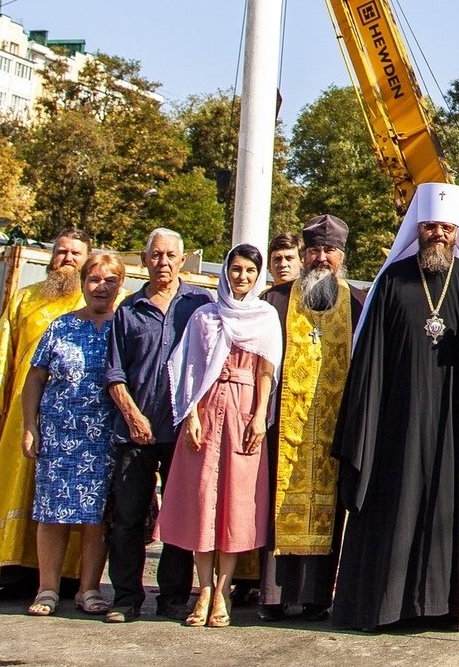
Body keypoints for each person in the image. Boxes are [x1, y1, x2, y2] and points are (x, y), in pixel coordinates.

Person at [331, 183, 459, 631]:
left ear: (457, 231)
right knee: (396, 504)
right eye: (430, 226)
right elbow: (369, 355)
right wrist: (367, 422)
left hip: (452, 421)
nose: (438, 235)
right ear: (418, 228)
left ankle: (448, 606)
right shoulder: (393, 280)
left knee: (447, 507)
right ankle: (386, 604)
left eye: (447, 228)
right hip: (398, 419)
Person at [0, 227, 92, 597]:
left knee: (68, 493)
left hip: (75, 419)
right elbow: (0, 352)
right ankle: (9, 569)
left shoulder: (97, 299)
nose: (67, 258)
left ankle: (63, 577)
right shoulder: (25, 299)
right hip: (25, 414)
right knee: (17, 488)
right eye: (61, 251)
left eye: (75, 254)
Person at [157, 244, 283, 628]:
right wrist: (191, 416)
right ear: (225, 271)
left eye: (249, 270)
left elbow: (266, 370)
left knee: (235, 504)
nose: (241, 277)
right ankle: (204, 590)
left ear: (258, 275)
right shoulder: (204, 317)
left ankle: (224, 591)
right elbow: (189, 369)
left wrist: (260, 416)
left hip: (243, 412)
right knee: (202, 502)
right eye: (236, 269)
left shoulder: (265, 317)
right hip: (207, 411)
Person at [101, 228, 213, 623]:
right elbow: (114, 372)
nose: (162, 262)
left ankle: (172, 598)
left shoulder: (201, 305)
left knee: (179, 519)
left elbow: (211, 364)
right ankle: (126, 598)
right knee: (128, 518)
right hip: (134, 432)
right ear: (144, 259)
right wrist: (132, 415)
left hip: (183, 430)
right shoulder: (128, 310)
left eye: (170, 256)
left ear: (183, 260)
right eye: (155, 255)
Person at [260, 213, 369, 620]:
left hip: (334, 427)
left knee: (329, 510)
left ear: (342, 256)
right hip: (283, 426)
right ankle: (272, 597)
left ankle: (317, 597)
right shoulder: (275, 301)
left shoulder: (359, 303)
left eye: (331, 251)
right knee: (278, 502)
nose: (322, 257)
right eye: (315, 250)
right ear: (305, 254)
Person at [19, 248, 126, 616]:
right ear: (83, 283)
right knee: (52, 513)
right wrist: (29, 426)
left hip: (104, 438)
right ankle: (47, 589)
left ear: (120, 286)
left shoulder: (123, 326)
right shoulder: (60, 327)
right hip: (59, 434)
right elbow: (35, 378)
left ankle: (89, 589)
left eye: (109, 281)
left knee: (96, 517)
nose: (101, 287)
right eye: (94, 279)